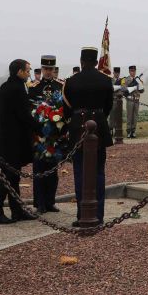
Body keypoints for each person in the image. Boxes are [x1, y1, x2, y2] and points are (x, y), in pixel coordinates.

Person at [64, 47, 114, 224]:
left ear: (81, 61)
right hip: (99, 124)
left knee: (79, 172)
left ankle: (82, 213)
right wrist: (98, 117)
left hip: (78, 124)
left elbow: (67, 109)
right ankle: (98, 214)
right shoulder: (105, 80)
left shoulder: (71, 82)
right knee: (99, 172)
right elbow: (109, 105)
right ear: (96, 62)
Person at [0, 58, 37, 225]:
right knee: (7, 176)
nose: (29, 73)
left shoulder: (6, 86)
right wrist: (39, 127)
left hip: (8, 138)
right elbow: (24, 114)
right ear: (19, 71)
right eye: (27, 70)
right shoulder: (16, 88)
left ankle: (17, 210)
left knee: (13, 176)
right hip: (14, 140)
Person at [30, 56, 69, 213]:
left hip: (55, 135)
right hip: (39, 135)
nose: (47, 72)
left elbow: (65, 107)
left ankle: (50, 201)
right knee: (39, 169)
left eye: (50, 69)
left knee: (53, 169)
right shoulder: (34, 86)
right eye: (45, 69)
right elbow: (31, 108)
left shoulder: (60, 85)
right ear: (42, 69)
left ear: (54, 70)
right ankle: (39, 203)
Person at [124, 65, 143, 138]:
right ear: (129, 71)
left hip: (136, 100)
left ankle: (133, 131)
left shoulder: (138, 79)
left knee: (135, 116)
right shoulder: (126, 80)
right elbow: (124, 90)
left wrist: (139, 84)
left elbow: (142, 90)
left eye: (134, 71)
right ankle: (129, 131)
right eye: (131, 71)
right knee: (129, 116)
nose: (133, 72)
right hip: (130, 100)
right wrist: (132, 87)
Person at [110, 66, 126, 143]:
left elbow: (124, 89)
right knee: (112, 116)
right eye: (116, 73)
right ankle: (111, 130)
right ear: (113, 73)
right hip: (113, 100)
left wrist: (119, 87)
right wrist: (119, 87)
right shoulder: (110, 80)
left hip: (119, 101)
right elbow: (110, 88)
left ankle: (117, 131)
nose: (117, 74)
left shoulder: (122, 80)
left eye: (118, 73)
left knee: (118, 116)